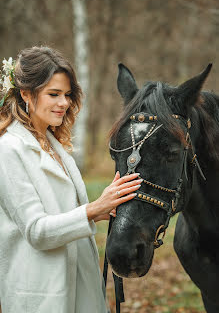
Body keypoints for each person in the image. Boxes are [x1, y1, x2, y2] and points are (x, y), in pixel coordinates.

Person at [0, 46, 142, 313]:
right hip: (40, 294)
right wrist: (91, 210)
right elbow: (36, 231)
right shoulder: (8, 150)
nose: (64, 103)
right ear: (26, 94)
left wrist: (101, 210)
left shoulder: (54, 145)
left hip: (81, 285)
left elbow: (65, 214)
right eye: (53, 94)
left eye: (67, 95)